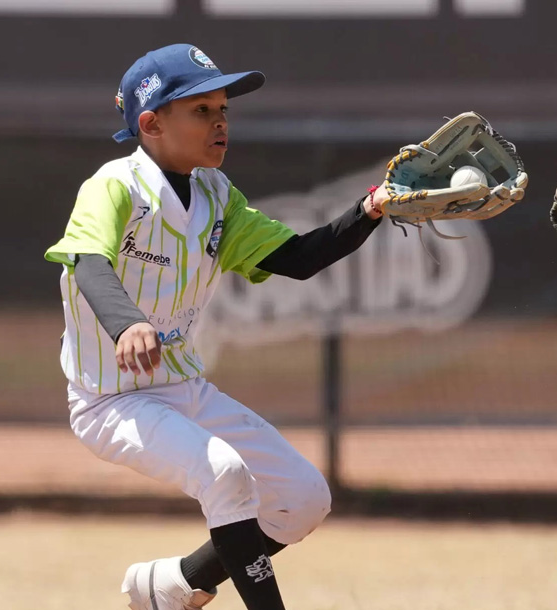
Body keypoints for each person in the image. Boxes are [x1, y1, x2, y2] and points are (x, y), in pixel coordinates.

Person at [44, 43, 389, 610]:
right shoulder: (115, 185)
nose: (221, 121)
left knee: (303, 499)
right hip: (110, 401)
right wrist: (127, 322)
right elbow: (88, 261)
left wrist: (374, 206)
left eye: (223, 109)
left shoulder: (216, 195)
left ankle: (174, 585)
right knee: (224, 473)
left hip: (185, 389)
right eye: (200, 110)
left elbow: (299, 258)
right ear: (151, 123)